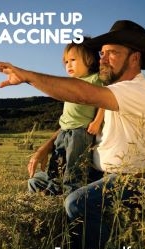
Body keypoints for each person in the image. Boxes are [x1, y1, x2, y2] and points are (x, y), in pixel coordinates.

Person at [0, 20, 145, 249]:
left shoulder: (140, 90)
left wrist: (28, 76)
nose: (102, 58)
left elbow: (80, 94)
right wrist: (46, 147)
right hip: (98, 173)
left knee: (77, 202)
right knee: (38, 184)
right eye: (102, 53)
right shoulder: (110, 93)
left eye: (112, 53)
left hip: (130, 180)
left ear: (135, 58)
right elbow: (74, 123)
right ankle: (45, 246)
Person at [28, 38, 104, 195]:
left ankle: (70, 204)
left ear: (89, 60)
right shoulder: (71, 83)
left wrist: (97, 121)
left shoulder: (95, 79)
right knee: (56, 170)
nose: (68, 65)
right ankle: (52, 199)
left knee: (73, 173)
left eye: (73, 60)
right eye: (66, 61)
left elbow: (104, 101)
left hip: (80, 132)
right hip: (64, 132)